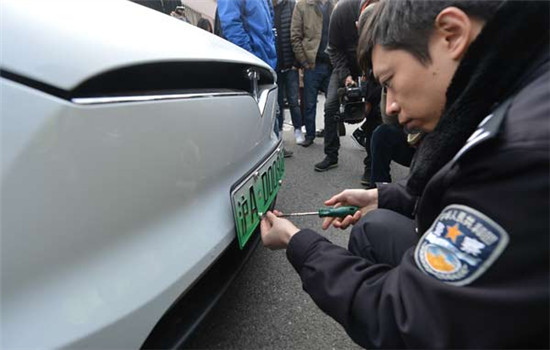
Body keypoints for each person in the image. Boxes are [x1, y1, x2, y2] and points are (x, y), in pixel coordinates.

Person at [260, 0, 549, 348]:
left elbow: (405, 318)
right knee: (372, 227)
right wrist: (382, 196)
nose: (391, 105)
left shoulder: (516, 152)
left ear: (451, 35)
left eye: (391, 81)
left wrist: (298, 243)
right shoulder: (520, 86)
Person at [313, 0, 381, 182]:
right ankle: (331, 155)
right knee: (330, 107)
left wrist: (369, 82)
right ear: (358, 23)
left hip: (374, 65)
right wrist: (346, 77)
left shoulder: (387, 13)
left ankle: (371, 165)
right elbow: (333, 48)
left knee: (377, 112)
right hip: (345, 64)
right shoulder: (341, 11)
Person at [218, 0, 292, 158]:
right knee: (253, 125)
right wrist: (250, 57)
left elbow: (269, 22)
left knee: (272, 114)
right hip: (252, 67)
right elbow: (231, 25)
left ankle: (274, 154)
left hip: (266, 63)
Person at [290, 0, 334, 147]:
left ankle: (331, 136)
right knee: (309, 104)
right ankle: (310, 135)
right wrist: (304, 62)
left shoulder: (334, 4)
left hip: (332, 64)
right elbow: (295, 36)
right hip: (312, 65)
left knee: (332, 104)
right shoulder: (302, 5)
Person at [274, 0, 304, 145]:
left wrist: (296, 62)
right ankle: (279, 132)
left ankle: (297, 129)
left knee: (293, 101)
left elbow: (297, 33)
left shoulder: (292, 5)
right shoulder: (267, 6)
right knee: (277, 103)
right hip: (275, 66)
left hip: (290, 64)